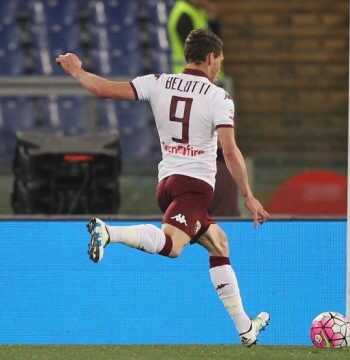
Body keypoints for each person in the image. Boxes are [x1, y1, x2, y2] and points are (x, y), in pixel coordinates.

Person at [56, 29, 271, 347]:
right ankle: (108, 233)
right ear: (211, 58)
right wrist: (249, 196)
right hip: (194, 187)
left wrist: (76, 70)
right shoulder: (219, 98)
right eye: (220, 60)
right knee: (173, 247)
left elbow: (103, 89)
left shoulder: (158, 82)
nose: (220, 66)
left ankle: (245, 329)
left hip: (167, 184)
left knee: (219, 244)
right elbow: (229, 151)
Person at [168, 0, 239, 217]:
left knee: (213, 148)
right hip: (193, 90)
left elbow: (215, 45)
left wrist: (213, 19)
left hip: (207, 87)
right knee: (209, 147)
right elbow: (200, 53)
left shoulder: (196, 13)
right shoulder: (184, 14)